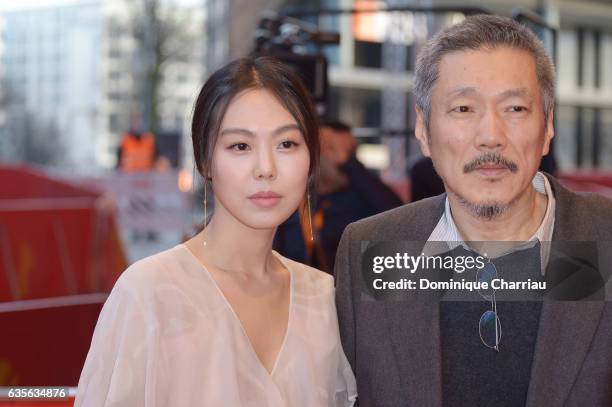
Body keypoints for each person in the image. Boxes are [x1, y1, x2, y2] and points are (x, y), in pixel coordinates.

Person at [335, 15, 612, 406]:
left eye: (515, 108)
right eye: (463, 108)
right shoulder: (373, 249)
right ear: (423, 130)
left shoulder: (604, 239)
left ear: (548, 127)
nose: (490, 137)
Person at [76, 56, 357, 406]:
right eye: (240, 146)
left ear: (312, 157)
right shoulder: (150, 292)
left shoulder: (321, 297)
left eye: (287, 144)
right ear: (205, 160)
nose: (266, 168)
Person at [275, 120, 403, 273]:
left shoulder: (362, 197)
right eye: (331, 149)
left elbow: (402, 221)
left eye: (350, 153)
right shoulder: (291, 200)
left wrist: (349, 164)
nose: (340, 158)